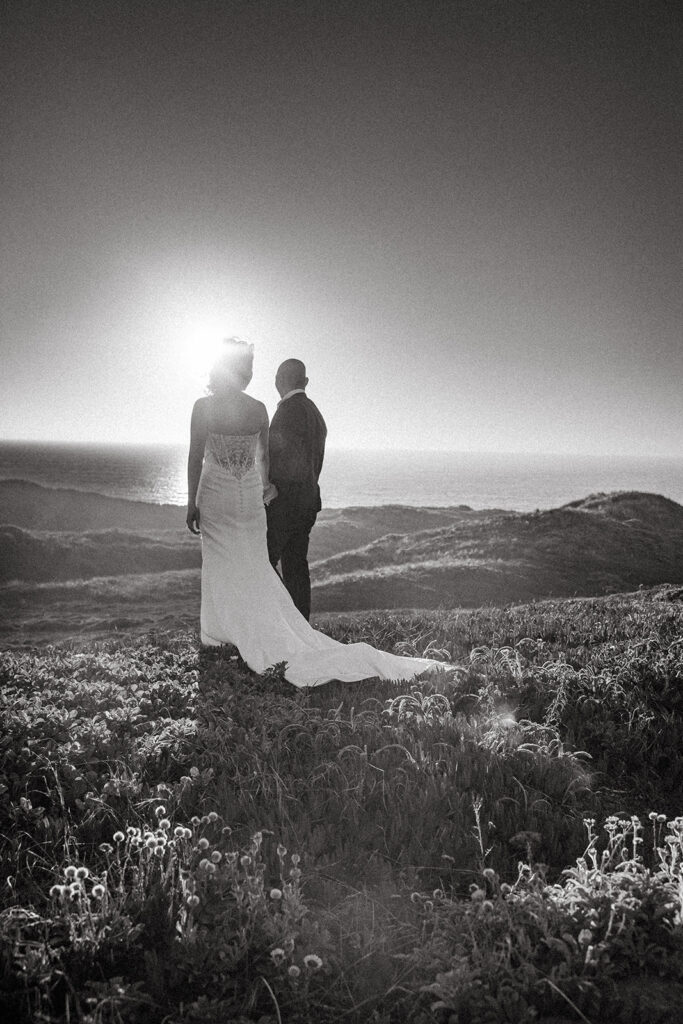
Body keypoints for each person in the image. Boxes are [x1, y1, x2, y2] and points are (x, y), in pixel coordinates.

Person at [186, 338, 447, 688]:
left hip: (223, 496)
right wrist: (264, 488)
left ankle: (225, 629)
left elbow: (196, 457)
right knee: (264, 564)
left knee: (226, 561)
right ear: (247, 371)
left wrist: (193, 501)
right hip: (258, 500)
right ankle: (276, 625)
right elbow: (263, 459)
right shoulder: (264, 409)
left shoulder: (205, 408)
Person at [266, 359, 326, 620]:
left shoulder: (287, 411)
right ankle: (300, 623)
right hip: (308, 502)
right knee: (296, 566)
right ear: (306, 382)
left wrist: (270, 489)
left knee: (263, 562)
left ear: (279, 379)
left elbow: (278, 457)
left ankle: (276, 621)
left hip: (285, 504)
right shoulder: (315, 413)